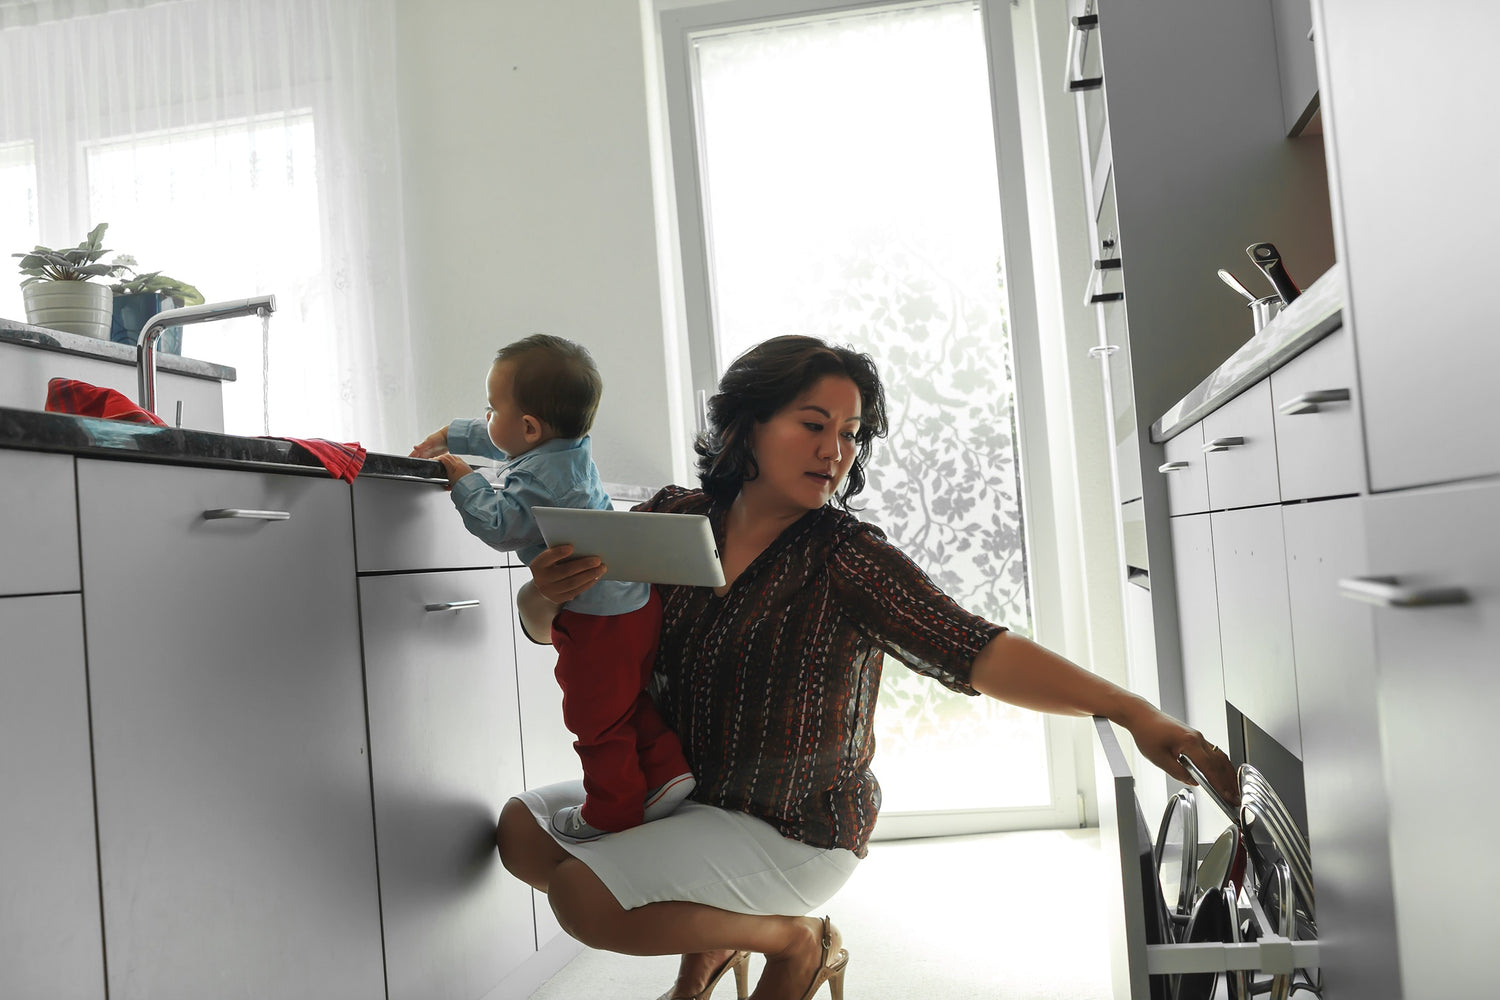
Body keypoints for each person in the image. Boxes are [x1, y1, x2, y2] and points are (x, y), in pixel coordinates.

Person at [494, 335, 1239, 1000]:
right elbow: (561, 629)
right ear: (746, 427)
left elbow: (977, 649)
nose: (836, 451)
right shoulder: (666, 517)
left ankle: (796, 938)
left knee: (581, 900)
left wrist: (1133, 710)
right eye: (813, 425)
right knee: (521, 833)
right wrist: (538, 598)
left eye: (851, 435)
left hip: (792, 828)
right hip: (677, 794)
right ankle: (718, 936)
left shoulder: (848, 556)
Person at [410, 334, 696, 842]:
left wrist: (464, 481)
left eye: (490, 407)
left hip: (595, 618)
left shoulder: (540, 475)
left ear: (529, 426)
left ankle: (613, 810)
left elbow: (500, 526)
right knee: (624, 700)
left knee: (592, 715)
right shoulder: (566, 449)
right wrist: (452, 434)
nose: (487, 416)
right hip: (635, 604)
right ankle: (667, 769)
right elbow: (506, 433)